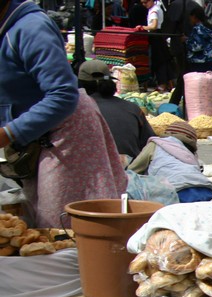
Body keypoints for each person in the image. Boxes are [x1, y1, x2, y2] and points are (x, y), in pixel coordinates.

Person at [0, 0, 127, 228]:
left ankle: (88, 264)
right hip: (36, 136)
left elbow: (62, 94)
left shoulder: (30, 28)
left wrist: (10, 132)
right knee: (41, 220)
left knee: (62, 226)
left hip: (67, 132)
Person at [77, 60, 156, 160]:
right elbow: (150, 143)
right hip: (132, 169)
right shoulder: (133, 108)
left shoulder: (77, 112)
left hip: (95, 170)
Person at [127, 121, 212, 203]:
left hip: (176, 191)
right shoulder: (189, 155)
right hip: (206, 188)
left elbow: (134, 169)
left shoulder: (156, 144)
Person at [163, 0, 203, 105]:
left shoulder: (176, 5)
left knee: (183, 75)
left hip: (182, 46)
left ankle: (174, 103)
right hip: (197, 51)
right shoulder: (194, 5)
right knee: (188, 75)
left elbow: (169, 26)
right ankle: (179, 101)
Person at [135, 0, 175, 92]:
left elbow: (154, 25)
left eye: (146, 2)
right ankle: (169, 83)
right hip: (158, 36)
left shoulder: (154, 11)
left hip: (156, 36)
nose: (144, 5)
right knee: (164, 60)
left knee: (159, 61)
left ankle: (162, 84)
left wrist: (143, 27)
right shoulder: (156, 8)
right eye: (142, 3)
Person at [185, 6, 212, 74]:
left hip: (198, 64)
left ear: (194, 17)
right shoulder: (211, 28)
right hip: (210, 62)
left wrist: (187, 41)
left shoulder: (197, 29)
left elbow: (196, 47)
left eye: (191, 18)